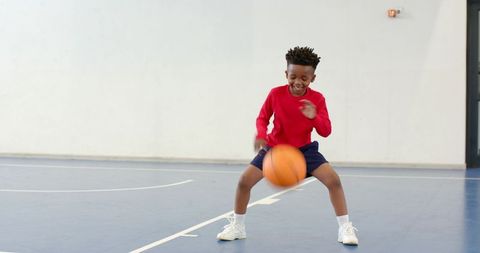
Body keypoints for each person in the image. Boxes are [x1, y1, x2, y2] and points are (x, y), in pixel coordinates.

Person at [216, 46, 359, 245]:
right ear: (286, 74)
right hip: (274, 149)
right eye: (293, 76)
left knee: (333, 181)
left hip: (304, 151)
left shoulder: (317, 99)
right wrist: (261, 134)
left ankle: (345, 229)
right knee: (244, 181)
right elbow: (263, 118)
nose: (298, 82)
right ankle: (238, 226)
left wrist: (314, 116)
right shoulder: (275, 94)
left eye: (304, 78)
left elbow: (326, 130)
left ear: (313, 78)